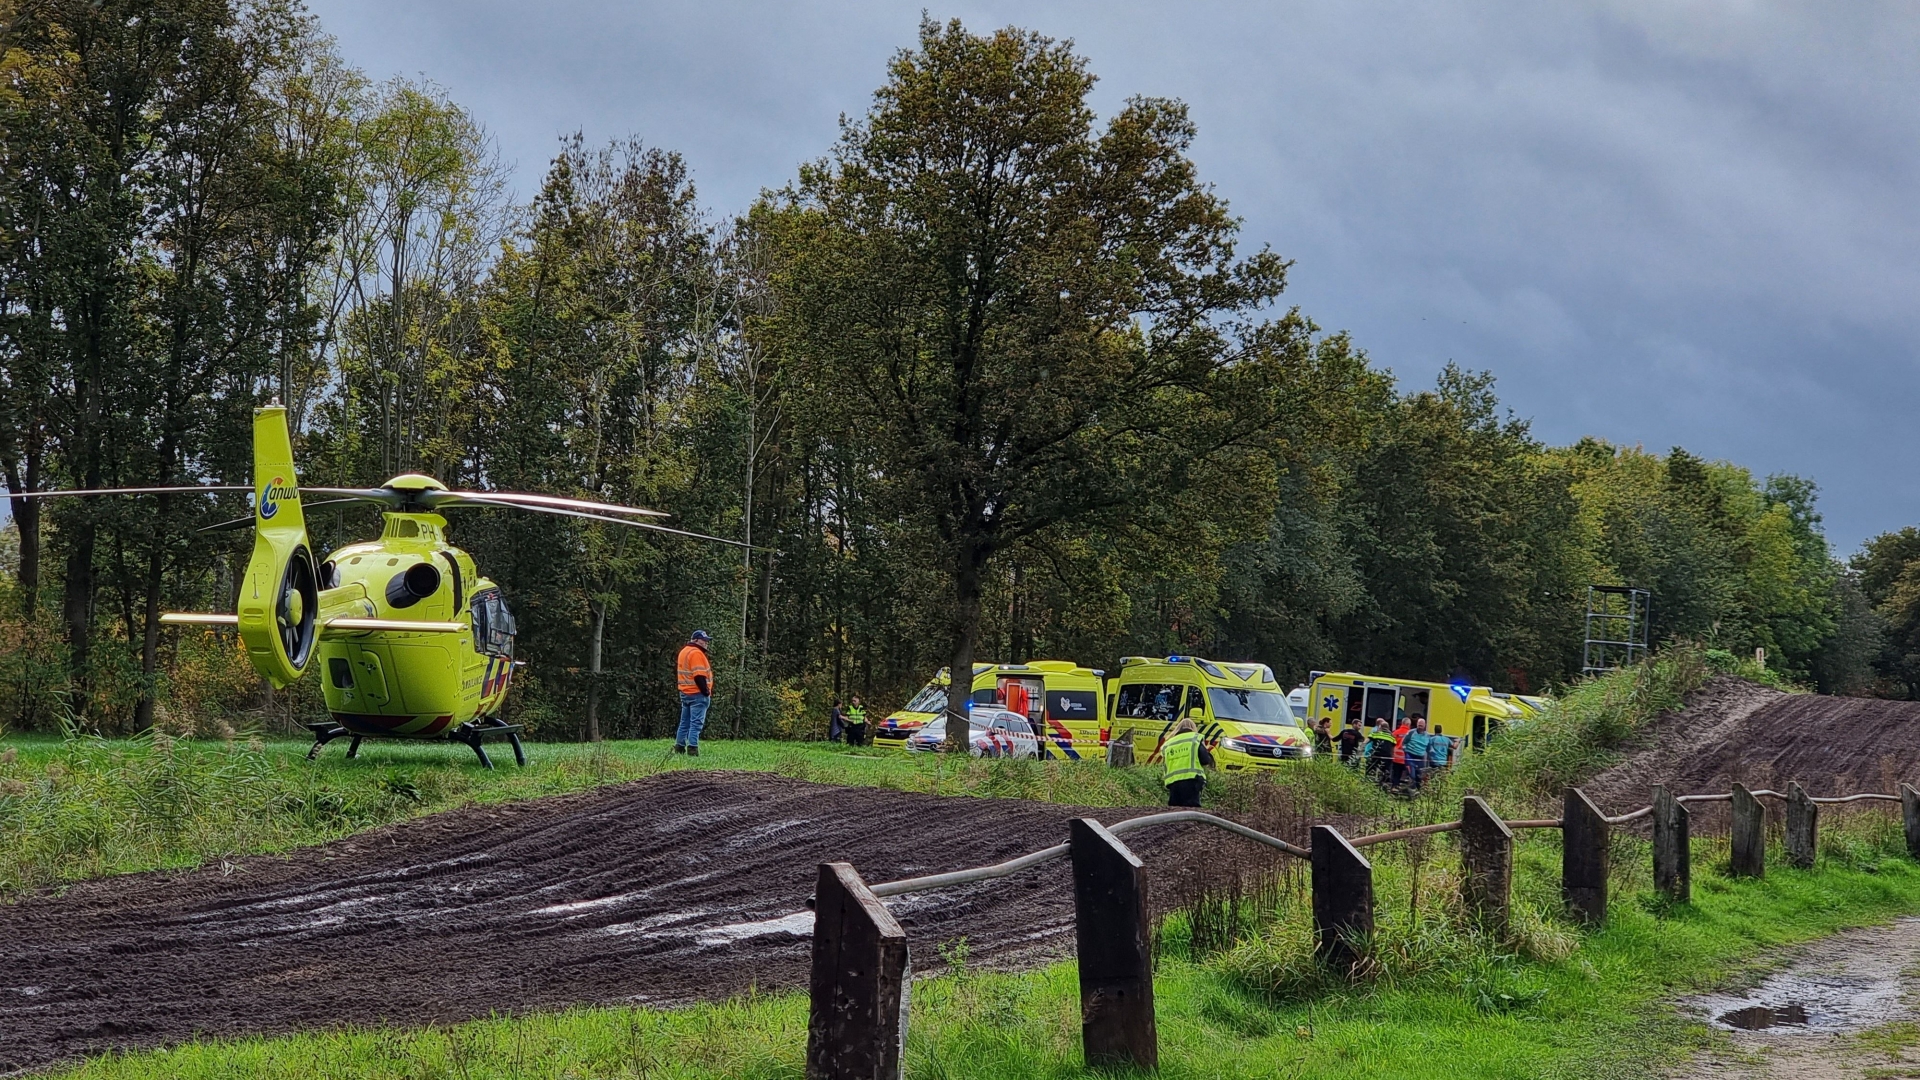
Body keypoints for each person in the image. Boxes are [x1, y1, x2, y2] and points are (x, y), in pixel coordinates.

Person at [1161, 711, 1215, 807]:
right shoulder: (1195, 738)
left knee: (1174, 812)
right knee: (1191, 812)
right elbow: (1205, 760)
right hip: (1191, 781)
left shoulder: (1169, 743)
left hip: (1173, 783)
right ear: (1193, 728)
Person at [675, 630, 713, 756]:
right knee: (696, 724)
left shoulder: (684, 651)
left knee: (684, 722)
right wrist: (706, 692)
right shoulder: (696, 653)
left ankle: (679, 747)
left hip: (685, 693)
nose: (706, 643)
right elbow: (699, 676)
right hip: (697, 694)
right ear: (696, 640)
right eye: (704, 640)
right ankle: (693, 749)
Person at [1403, 716, 1430, 791]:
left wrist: (1430, 753)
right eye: (1419, 725)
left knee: (1419, 775)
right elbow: (1404, 742)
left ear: (1424, 725)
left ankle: (1418, 791)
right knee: (1412, 775)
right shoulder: (1411, 732)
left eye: (1421, 725)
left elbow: (1428, 747)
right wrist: (1404, 749)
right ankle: (1411, 790)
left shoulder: (1427, 736)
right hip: (1410, 756)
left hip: (1420, 757)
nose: (1420, 727)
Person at [1390, 716, 1412, 788]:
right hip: (1406, 758)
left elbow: (1391, 744)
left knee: (1396, 772)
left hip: (1396, 757)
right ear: (1408, 724)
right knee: (1409, 774)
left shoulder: (1395, 732)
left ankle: (1395, 786)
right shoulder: (1410, 734)